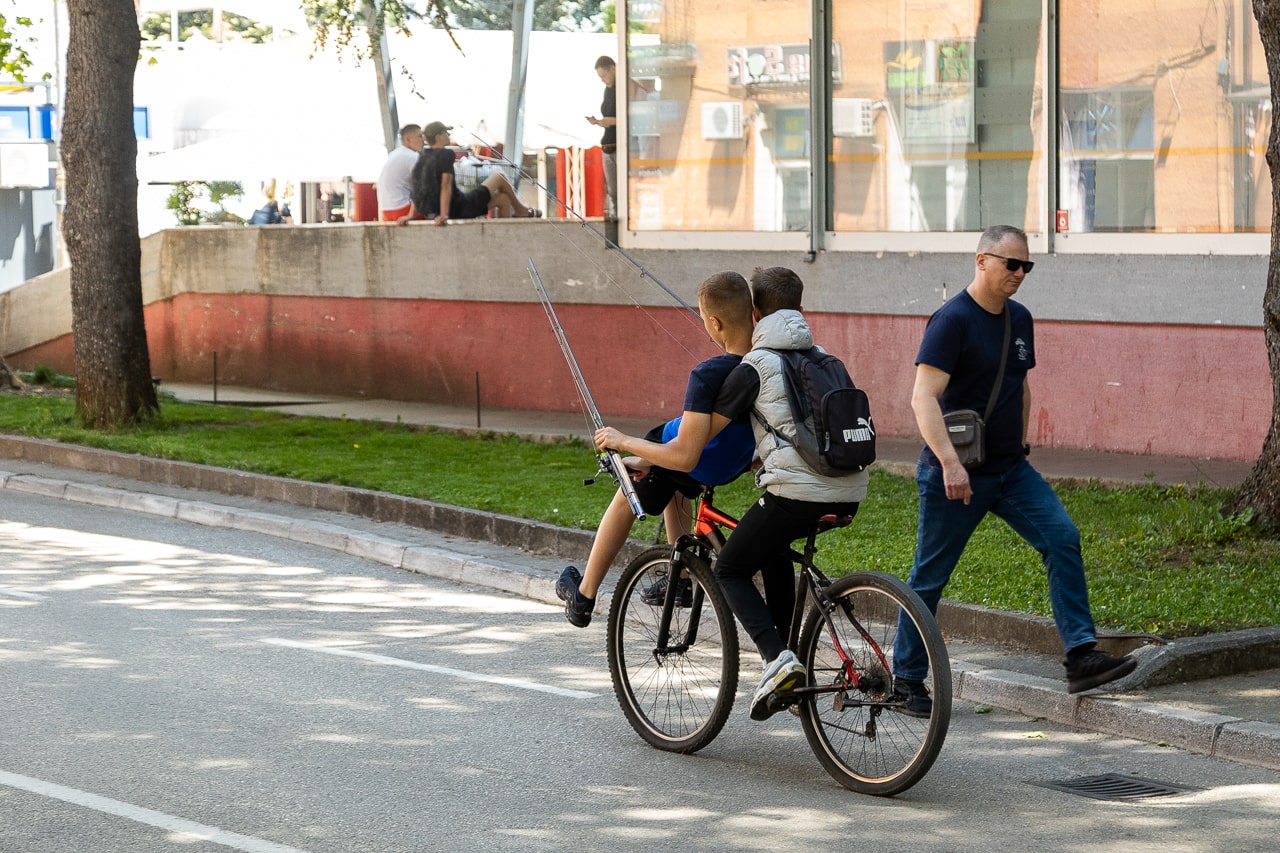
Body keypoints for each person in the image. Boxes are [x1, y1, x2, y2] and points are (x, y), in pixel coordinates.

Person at [892, 224, 1136, 717]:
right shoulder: (952, 321)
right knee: (929, 577)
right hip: (955, 473)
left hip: (1010, 471)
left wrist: (1020, 443)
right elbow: (922, 399)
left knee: (1062, 537)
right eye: (1012, 264)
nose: (1020, 273)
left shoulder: (1019, 319)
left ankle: (1080, 657)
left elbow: (1019, 386)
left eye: (1027, 266)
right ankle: (906, 679)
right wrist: (949, 463)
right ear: (982, 261)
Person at [708, 267, 868, 721]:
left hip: (796, 494)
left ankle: (777, 661)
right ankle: (788, 662)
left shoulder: (754, 366)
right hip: (850, 489)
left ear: (754, 314)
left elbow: (704, 437)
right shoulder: (825, 358)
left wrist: (646, 455)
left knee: (730, 567)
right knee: (771, 550)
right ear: (801, 308)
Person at [556, 272, 758, 628]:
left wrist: (626, 443)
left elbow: (683, 453)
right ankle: (678, 582)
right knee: (676, 485)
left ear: (714, 322)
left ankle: (583, 596)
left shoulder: (707, 373)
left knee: (628, 490)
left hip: (690, 456)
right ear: (753, 315)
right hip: (734, 462)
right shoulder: (766, 365)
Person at [399, 121, 541, 225]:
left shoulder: (423, 158)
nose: (448, 135)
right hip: (459, 207)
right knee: (499, 176)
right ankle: (520, 209)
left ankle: (504, 233)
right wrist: (444, 214)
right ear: (438, 136)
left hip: (444, 209)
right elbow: (446, 185)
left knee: (503, 199)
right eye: (445, 132)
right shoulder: (445, 154)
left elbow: (417, 189)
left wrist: (411, 215)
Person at [586, 57, 652, 221]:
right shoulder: (608, 90)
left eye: (604, 76)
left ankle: (631, 220)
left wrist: (612, 121)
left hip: (623, 144)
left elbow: (634, 118)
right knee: (613, 191)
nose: (603, 80)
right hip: (608, 144)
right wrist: (601, 122)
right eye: (600, 78)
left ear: (613, 69)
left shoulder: (628, 87)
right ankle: (617, 223)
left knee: (626, 189)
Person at [377, 124, 426, 222]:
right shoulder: (413, 157)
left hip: (386, 211)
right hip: (403, 210)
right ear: (408, 139)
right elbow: (420, 187)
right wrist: (411, 215)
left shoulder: (394, 154)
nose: (423, 140)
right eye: (420, 136)